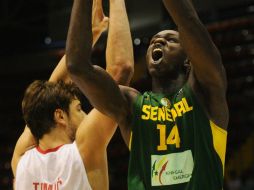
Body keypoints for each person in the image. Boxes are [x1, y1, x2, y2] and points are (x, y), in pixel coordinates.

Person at [66, 0, 229, 189]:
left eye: (171, 40)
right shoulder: (131, 105)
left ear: (188, 60)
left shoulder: (206, 93)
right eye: (153, 42)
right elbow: (77, 67)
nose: (158, 41)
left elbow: (189, 22)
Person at [11, 0, 133, 189]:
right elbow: (119, 71)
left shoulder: (21, 161)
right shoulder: (83, 151)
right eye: (78, 108)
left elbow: (45, 99)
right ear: (60, 116)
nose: (85, 115)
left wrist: (92, 31)